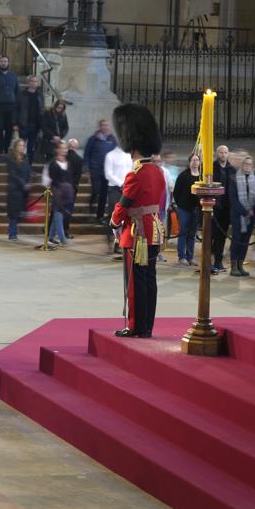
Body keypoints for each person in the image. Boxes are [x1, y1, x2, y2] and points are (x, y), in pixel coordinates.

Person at [109, 104, 166, 338]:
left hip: (137, 233)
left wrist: (113, 223)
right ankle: (147, 326)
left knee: (134, 281)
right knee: (149, 278)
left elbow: (123, 205)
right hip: (154, 229)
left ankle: (134, 326)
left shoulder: (137, 173)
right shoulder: (158, 171)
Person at [229, 155, 255, 277]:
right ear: (242, 165)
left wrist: (253, 210)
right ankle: (234, 266)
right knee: (237, 240)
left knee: (245, 241)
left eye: (250, 164)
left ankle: (241, 265)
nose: (248, 166)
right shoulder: (234, 178)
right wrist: (244, 212)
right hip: (238, 216)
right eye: (246, 164)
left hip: (250, 216)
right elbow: (233, 198)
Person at [83, 119, 117, 223]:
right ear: (100, 127)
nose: (105, 127)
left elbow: (115, 155)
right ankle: (91, 206)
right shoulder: (93, 139)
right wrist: (86, 169)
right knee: (96, 190)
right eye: (103, 125)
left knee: (103, 194)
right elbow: (86, 154)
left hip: (107, 171)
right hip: (95, 169)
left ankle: (99, 216)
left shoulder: (112, 139)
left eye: (107, 125)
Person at [210, 144, 235, 273]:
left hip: (226, 208)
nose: (223, 155)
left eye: (225, 152)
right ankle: (208, 262)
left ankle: (218, 262)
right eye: (221, 152)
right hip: (215, 206)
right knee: (211, 235)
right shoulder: (212, 168)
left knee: (222, 236)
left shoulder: (232, 169)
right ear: (217, 154)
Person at [172, 153, 201, 267]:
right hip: (184, 208)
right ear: (189, 162)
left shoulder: (202, 176)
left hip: (196, 209)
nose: (195, 162)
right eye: (193, 160)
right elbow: (176, 192)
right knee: (183, 232)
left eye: (197, 160)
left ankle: (190, 257)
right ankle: (182, 257)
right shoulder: (183, 175)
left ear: (199, 162)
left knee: (192, 234)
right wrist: (180, 205)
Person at [45, 140, 74, 247]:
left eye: (65, 148)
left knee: (60, 214)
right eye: (62, 148)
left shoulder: (68, 163)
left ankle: (51, 237)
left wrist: (69, 189)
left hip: (67, 192)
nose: (64, 150)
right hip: (57, 191)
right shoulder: (53, 163)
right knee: (58, 213)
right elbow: (53, 178)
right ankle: (62, 239)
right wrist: (61, 187)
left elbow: (70, 178)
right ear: (57, 149)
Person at [0, 55, 18, 154]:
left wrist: (17, 106)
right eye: (2, 61)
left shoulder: (13, 76)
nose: (3, 63)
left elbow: (17, 91)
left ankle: (6, 148)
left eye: (5, 61)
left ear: (8, 63)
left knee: (9, 129)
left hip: (11, 106)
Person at [5, 137, 30, 241]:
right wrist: (23, 184)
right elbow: (13, 175)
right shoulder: (11, 159)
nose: (22, 147)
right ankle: (12, 234)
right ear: (15, 147)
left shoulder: (25, 158)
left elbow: (28, 172)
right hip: (14, 189)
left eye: (23, 145)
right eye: (20, 145)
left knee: (19, 212)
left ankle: (15, 232)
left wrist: (28, 183)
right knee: (13, 213)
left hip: (23, 190)